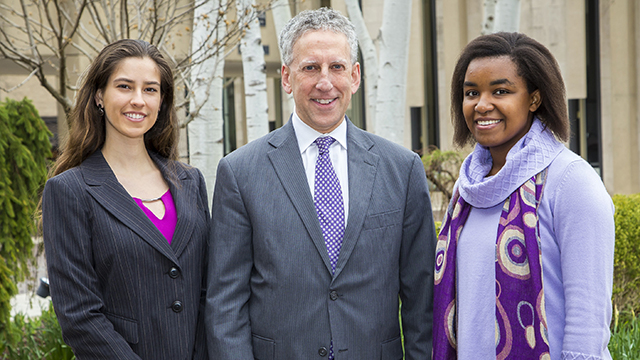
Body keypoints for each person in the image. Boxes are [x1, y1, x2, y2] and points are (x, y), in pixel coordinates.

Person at [206, 7, 436, 360]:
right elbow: (225, 304)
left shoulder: (401, 169)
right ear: (286, 77)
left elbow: (422, 300)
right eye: (310, 67)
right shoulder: (240, 172)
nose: (324, 82)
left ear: (355, 76)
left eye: (337, 67)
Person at [432, 32, 615, 359]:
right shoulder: (467, 188)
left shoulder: (571, 181)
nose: (482, 104)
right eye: (471, 92)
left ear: (534, 99)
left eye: (501, 91)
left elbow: (588, 314)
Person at [41, 39, 209, 359]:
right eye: (124, 86)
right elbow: (79, 315)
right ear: (99, 96)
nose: (138, 100)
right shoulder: (70, 191)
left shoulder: (191, 182)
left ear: (162, 101)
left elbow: (207, 291)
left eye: (150, 89)